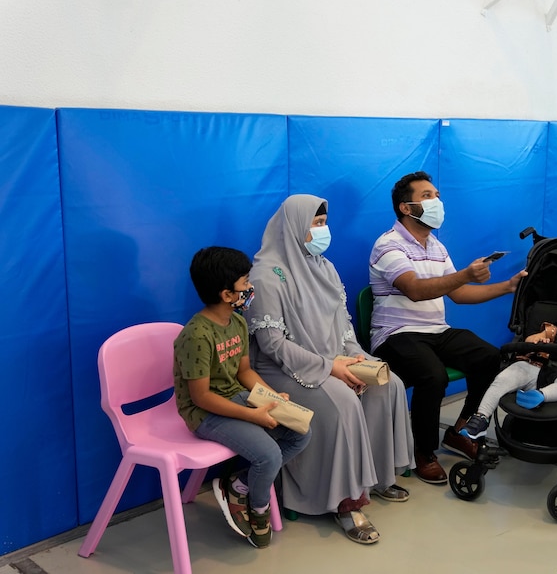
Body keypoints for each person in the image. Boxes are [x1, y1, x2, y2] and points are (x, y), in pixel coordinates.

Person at [246, 194, 414, 546]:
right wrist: (329, 367)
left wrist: (357, 359)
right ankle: (346, 503)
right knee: (343, 402)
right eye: (315, 224)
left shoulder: (324, 266)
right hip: (280, 369)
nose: (323, 231)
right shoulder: (266, 275)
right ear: (294, 227)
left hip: (332, 358)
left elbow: (343, 328)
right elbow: (272, 344)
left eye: (324, 223)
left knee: (388, 383)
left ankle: (377, 478)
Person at [369, 170, 527, 484]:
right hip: (395, 335)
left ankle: (461, 431)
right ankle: (423, 453)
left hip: (436, 331)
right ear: (406, 207)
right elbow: (414, 289)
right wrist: (466, 274)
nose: (436, 201)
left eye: (437, 196)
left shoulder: (436, 246)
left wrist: (507, 287)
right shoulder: (388, 245)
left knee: (490, 358)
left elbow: (458, 293)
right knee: (433, 375)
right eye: (427, 196)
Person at [173, 246, 311, 549]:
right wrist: (253, 415)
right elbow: (200, 397)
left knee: (300, 431)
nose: (250, 288)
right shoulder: (196, 335)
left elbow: (244, 371)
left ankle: (238, 485)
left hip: (236, 397)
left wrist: (272, 398)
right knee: (268, 454)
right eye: (245, 283)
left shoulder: (237, 322)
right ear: (226, 294)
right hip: (204, 413)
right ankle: (257, 507)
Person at [459, 293, 557, 440]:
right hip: (534, 367)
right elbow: (529, 340)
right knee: (505, 377)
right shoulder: (554, 330)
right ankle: (481, 417)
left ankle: (540, 396)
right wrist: (538, 339)